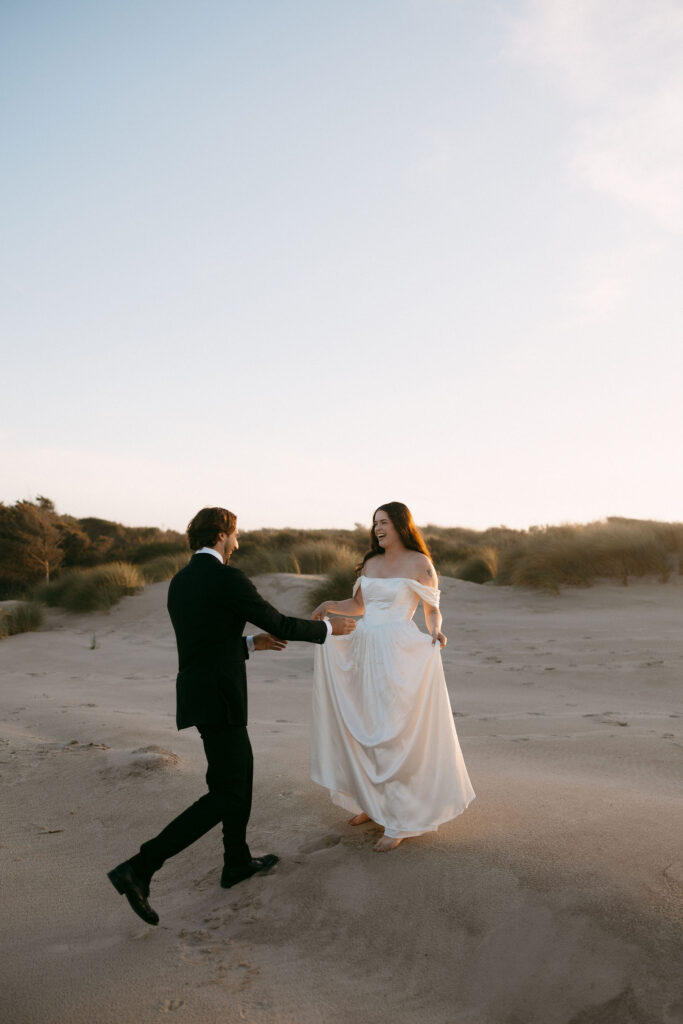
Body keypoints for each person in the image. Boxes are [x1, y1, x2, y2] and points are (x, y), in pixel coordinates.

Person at [108, 506, 356, 925]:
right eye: (235, 535)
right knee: (228, 792)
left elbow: (200, 643)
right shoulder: (227, 577)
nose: (238, 543)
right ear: (222, 535)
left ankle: (236, 862)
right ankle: (141, 866)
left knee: (236, 778)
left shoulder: (180, 581)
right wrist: (329, 631)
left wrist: (247, 646)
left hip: (198, 695)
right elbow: (278, 621)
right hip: (221, 698)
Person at [310, 501, 474, 852]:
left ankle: (399, 818)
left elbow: (432, 610)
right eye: (375, 523)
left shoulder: (420, 564)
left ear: (401, 525)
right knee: (367, 726)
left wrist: (436, 632)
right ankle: (372, 804)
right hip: (364, 649)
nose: (378, 528)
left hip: (399, 652)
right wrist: (330, 605)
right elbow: (359, 607)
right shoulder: (371, 562)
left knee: (392, 731)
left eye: (383, 522)